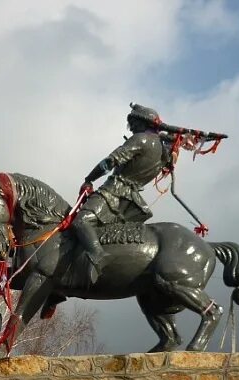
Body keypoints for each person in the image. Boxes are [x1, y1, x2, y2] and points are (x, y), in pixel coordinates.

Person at [72, 103, 170, 285]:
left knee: (80, 222)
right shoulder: (163, 150)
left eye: (132, 123)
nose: (131, 127)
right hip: (133, 202)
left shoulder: (140, 139)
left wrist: (89, 179)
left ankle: (97, 256)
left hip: (114, 192)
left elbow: (110, 162)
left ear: (141, 122)